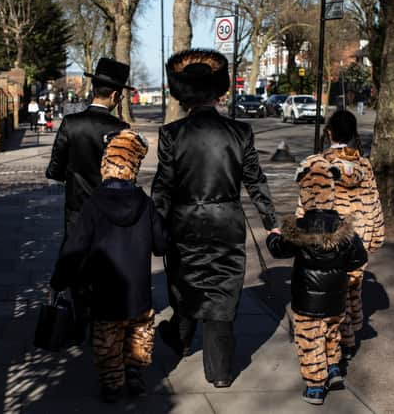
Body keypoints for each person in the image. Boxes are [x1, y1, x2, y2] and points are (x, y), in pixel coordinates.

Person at [151, 49, 280, 388]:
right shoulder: (240, 132)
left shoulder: (171, 134)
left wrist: (154, 226)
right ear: (218, 92)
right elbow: (255, 180)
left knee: (185, 285)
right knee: (222, 293)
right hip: (227, 221)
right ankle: (220, 372)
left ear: (185, 94)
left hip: (184, 222)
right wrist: (271, 222)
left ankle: (179, 339)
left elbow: (163, 186)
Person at [50, 130, 168, 403]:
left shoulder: (93, 205)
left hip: (105, 291)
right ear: (134, 168)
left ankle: (112, 383)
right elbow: (162, 245)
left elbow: (75, 248)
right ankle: (135, 371)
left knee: (108, 337)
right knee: (140, 331)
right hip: (139, 291)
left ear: (106, 164)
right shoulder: (145, 204)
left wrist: (59, 279)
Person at [267, 154, 368, 405]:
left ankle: (315, 385)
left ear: (304, 191)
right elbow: (359, 258)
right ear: (331, 190)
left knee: (309, 339)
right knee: (331, 332)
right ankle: (333, 368)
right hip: (336, 296)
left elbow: (278, 249)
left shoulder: (297, 228)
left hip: (307, 299)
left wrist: (272, 236)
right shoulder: (344, 229)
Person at [46, 58, 133, 343]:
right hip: (110, 213)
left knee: (76, 264)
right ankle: (103, 323)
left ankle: (80, 315)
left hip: (77, 210)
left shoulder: (71, 124)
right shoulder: (122, 129)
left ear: (93, 87)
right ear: (117, 95)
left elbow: (55, 170)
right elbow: (127, 178)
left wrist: (75, 177)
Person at [316, 110, 385, 359]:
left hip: (332, 236)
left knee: (333, 290)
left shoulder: (320, 163)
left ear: (329, 132)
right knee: (352, 288)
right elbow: (374, 202)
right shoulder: (364, 165)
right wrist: (376, 236)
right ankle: (350, 335)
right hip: (360, 234)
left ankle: (339, 341)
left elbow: (312, 203)